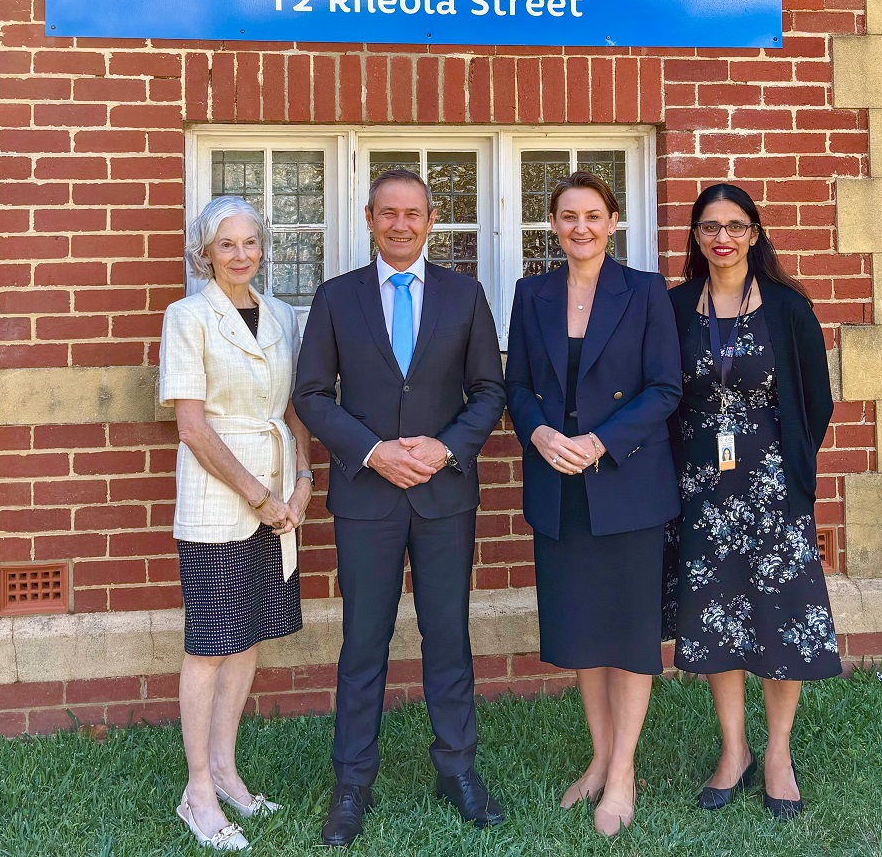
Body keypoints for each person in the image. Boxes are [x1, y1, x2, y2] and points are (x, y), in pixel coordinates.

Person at [294, 168, 507, 848]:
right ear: (368, 216)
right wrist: (373, 451)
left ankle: (457, 769)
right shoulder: (336, 298)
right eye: (388, 212)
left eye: (413, 213)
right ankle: (353, 781)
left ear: (431, 218)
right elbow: (312, 395)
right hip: (367, 496)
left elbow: (488, 390)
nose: (401, 224)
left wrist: (445, 450)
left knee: (448, 635)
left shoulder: (465, 294)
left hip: (444, 495)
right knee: (363, 642)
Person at [506, 171, 682, 838]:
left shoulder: (643, 291)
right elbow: (516, 382)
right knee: (585, 630)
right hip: (560, 485)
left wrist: (600, 440)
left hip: (626, 482)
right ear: (553, 224)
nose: (580, 226)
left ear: (614, 222)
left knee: (630, 633)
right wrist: (542, 432)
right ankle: (600, 756)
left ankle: (625, 770)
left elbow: (664, 387)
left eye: (592, 215)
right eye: (567, 215)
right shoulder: (533, 293)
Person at [668, 183, 840, 821]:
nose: (722, 237)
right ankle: (734, 749)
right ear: (695, 237)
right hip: (704, 490)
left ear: (755, 234)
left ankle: (778, 754)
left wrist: (789, 463)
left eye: (736, 226)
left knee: (780, 616)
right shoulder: (680, 305)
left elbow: (816, 401)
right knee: (719, 615)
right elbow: (666, 390)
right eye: (709, 226)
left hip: (772, 488)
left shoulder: (790, 309)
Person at [159, 195, 313, 852]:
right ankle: (196, 791)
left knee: (248, 633)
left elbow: (296, 408)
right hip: (220, 498)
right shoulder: (187, 316)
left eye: (252, 242)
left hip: (279, 494)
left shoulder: (281, 314)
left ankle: (226, 769)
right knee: (211, 641)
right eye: (228, 244)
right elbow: (191, 425)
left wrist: (303, 480)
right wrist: (257, 493)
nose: (242, 254)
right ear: (205, 252)